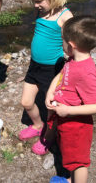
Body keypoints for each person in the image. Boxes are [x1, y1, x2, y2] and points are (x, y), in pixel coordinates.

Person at [18, 0, 73, 155]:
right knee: (26, 102)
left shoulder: (65, 16)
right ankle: (37, 125)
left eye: (39, 0)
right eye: (34, 0)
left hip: (53, 68)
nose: (35, 4)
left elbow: (71, 45)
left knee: (51, 108)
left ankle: (49, 137)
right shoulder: (40, 11)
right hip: (35, 65)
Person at [45, 15, 96, 183]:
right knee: (69, 154)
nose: (62, 45)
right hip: (65, 118)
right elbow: (62, 74)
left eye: (63, 41)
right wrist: (50, 92)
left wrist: (69, 110)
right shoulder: (73, 60)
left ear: (71, 46)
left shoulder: (87, 72)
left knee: (78, 163)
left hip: (77, 125)